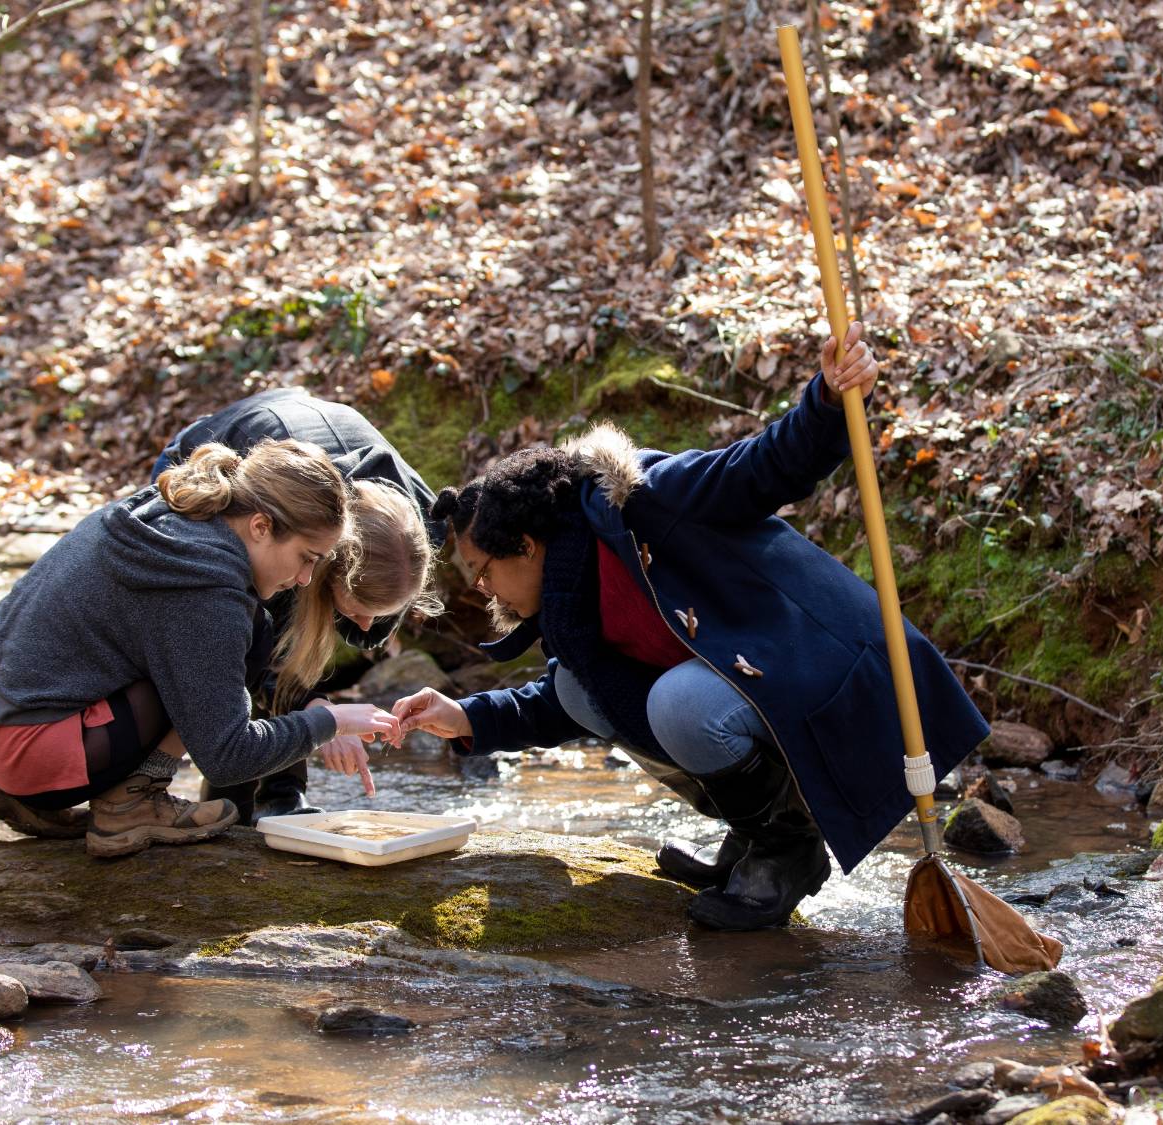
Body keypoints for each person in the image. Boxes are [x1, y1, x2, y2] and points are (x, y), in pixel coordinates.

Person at [392, 324, 991, 930]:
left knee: (679, 704)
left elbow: (758, 469)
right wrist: (468, 717)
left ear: (524, 545)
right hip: (756, 695)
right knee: (581, 688)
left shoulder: (641, 500)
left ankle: (789, 849)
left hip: (834, 677)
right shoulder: (569, 599)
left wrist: (828, 401)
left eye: (483, 571)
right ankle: (757, 837)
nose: (482, 591)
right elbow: (563, 702)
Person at [0, 438, 400, 857]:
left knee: (223, 647)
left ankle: (1, 786)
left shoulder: (165, 512)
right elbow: (227, 756)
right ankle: (131, 806)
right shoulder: (205, 589)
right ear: (260, 526)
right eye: (307, 558)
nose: (304, 581)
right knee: (253, 636)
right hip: (28, 751)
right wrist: (327, 721)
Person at [155, 388, 443, 822]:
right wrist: (319, 715)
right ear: (320, 570)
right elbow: (259, 652)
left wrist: (322, 708)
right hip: (202, 470)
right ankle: (232, 801)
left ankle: (283, 794)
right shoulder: (295, 538)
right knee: (243, 644)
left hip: (311, 465)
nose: (365, 628)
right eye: (359, 608)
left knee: (308, 645)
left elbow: (331, 632)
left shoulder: (417, 532)